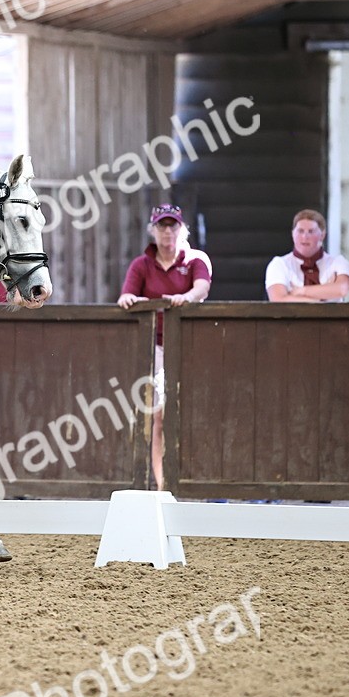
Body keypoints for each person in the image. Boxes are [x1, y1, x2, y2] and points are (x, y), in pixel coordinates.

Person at [116, 204, 211, 491]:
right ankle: (162, 485)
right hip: (155, 347)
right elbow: (127, 295)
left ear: (182, 230)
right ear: (153, 230)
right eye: (162, 226)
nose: (167, 231)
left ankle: (199, 481)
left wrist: (184, 297)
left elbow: (201, 288)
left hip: (190, 346)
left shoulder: (195, 260)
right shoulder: (141, 264)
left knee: (193, 412)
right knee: (159, 414)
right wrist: (130, 301)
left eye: (173, 226)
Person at [264, 209, 349, 302]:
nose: (305, 237)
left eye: (311, 231)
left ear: (322, 235)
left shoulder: (338, 262)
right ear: (292, 234)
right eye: (300, 231)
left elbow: (342, 289)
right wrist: (323, 295)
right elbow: (278, 299)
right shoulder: (279, 264)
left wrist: (300, 291)